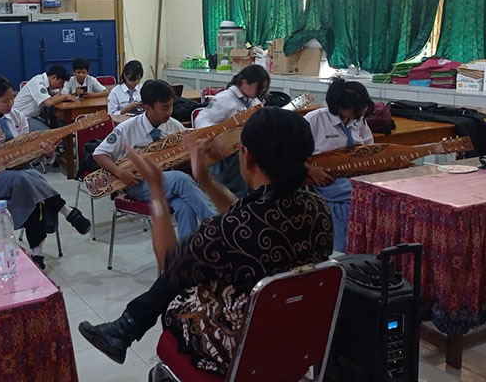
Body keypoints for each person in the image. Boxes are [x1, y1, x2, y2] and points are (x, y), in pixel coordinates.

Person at [79, 107, 333, 374]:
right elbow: (245, 216)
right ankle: (126, 327)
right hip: (296, 337)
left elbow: (169, 265)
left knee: (184, 287)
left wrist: (156, 188)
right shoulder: (317, 208)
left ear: (248, 159)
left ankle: (127, 327)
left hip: (240, 345)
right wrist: (205, 181)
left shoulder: (226, 232)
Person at [0, 76, 92, 270]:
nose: (11, 104)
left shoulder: (17, 117)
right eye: (5, 101)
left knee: (29, 187)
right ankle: (66, 210)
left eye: (12, 98)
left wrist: (47, 154)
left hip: (21, 174)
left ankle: (37, 256)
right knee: (29, 179)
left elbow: (28, 154)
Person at [93, 79, 215, 240]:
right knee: (181, 179)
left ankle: (185, 257)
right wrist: (120, 173)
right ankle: (216, 225)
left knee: (184, 206)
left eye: (171, 106)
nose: (169, 111)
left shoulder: (174, 126)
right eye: (164, 108)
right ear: (147, 107)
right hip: (139, 184)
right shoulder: (127, 128)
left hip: (168, 182)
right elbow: (99, 153)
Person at [304, 77, 374, 252]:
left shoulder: (359, 121)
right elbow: (288, 154)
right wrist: (311, 171)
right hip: (327, 181)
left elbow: (371, 149)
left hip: (357, 175)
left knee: (379, 193)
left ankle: (368, 247)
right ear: (341, 107)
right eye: (358, 108)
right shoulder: (315, 120)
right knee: (360, 195)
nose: (363, 111)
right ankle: (342, 250)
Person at [194, 65, 270, 198]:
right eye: (259, 87)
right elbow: (201, 119)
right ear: (245, 83)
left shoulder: (255, 102)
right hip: (226, 157)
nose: (261, 91)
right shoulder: (225, 99)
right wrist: (213, 138)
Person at [13, 64, 77, 131]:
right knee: (49, 135)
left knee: (59, 126)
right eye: (60, 83)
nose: (61, 86)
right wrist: (65, 96)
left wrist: (62, 95)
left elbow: (55, 96)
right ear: (54, 77)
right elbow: (48, 102)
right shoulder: (38, 82)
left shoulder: (47, 84)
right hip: (21, 118)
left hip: (30, 116)